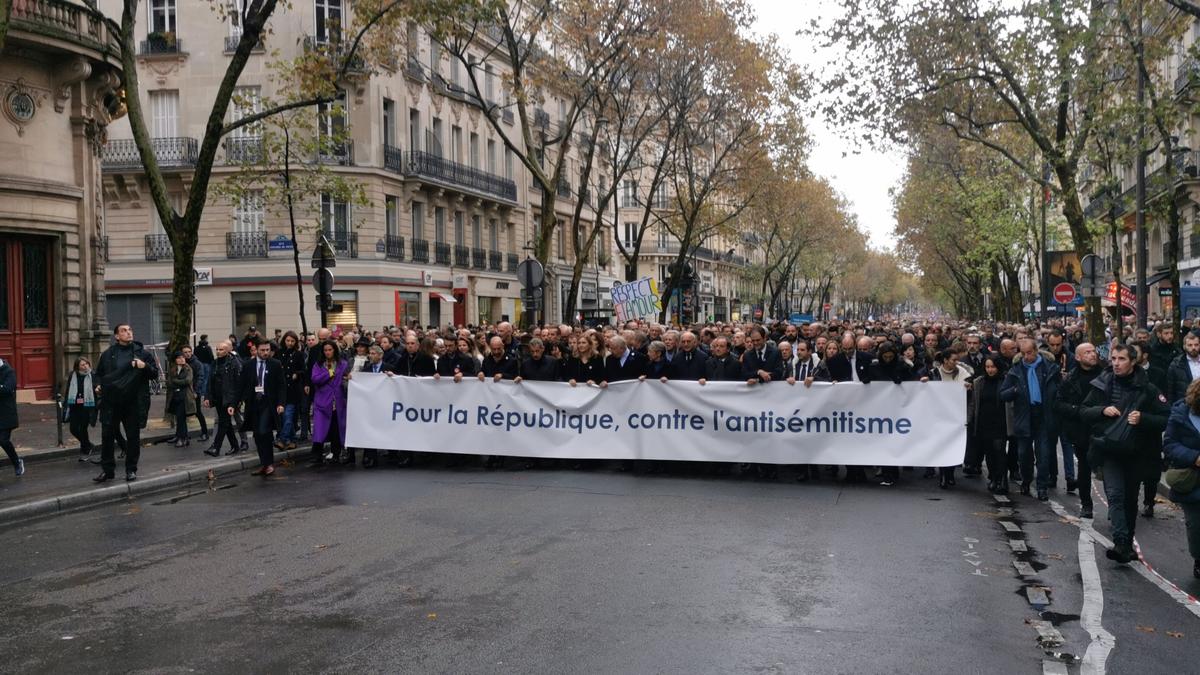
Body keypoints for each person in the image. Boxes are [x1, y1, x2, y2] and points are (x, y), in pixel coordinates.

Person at [1081, 343, 1169, 564]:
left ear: (1133, 362)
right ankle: (1120, 542)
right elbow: (1084, 411)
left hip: (1136, 452)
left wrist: (1143, 419)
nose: (1116, 363)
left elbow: (1166, 418)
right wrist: (1102, 410)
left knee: (1130, 499)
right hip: (1109, 450)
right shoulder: (1103, 383)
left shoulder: (1148, 389)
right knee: (1115, 495)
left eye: (1121, 359)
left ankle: (1127, 543)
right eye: (1113, 359)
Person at [93, 324, 159, 482]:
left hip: (133, 402)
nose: (128, 333)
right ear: (116, 336)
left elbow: (155, 373)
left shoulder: (142, 353)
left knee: (133, 437)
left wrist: (144, 366)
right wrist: (97, 386)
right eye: (124, 331)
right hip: (111, 402)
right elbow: (99, 374)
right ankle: (108, 470)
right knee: (107, 436)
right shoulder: (108, 354)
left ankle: (131, 470)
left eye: (130, 330)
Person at [1000, 338, 1060, 500]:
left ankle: (1042, 487)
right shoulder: (1016, 370)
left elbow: (1059, 391)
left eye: (1029, 353)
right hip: (1024, 416)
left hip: (1044, 416)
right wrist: (1014, 390)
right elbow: (1003, 394)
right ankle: (1026, 480)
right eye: (1023, 353)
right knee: (1024, 454)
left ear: (1036, 351)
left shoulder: (1049, 368)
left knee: (1044, 454)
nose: (1027, 357)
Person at [1054, 342, 1105, 518]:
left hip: (1103, 428)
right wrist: (1078, 411)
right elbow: (1059, 404)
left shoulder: (1106, 375)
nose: (1092, 354)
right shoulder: (1070, 379)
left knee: (1107, 470)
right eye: (1087, 352)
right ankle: (1086, 504)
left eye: (1093, 351)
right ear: (1078, 357)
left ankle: (1114, 507)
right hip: (1081, 430)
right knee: (1084, 469)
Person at [1162, 378, 1200, 580]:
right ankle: (1199, 558)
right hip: (1192, 478)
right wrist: (1194, 457)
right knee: (1196, 524)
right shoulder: (1181, 414)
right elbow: (1169, 444)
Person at [239, 338, 285, 476]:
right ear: (256, 350)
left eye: (268, 350)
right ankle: (264, 464)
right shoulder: (248, 365)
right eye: (262, 350)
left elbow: (281, 386)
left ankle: (269, 463)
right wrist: (235, 402)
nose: (266, 353)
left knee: (264, 430)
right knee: (257, 434)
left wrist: (281, 403)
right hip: (253, 403)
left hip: (268, 402)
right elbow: (242, 385)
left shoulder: (275, 364)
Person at [930, 349, 973, 488]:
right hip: (939, 415)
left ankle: (950, 473)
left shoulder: (962, 373)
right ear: (945, 360)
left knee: (953, 445)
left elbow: (969, 389)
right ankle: (943, 475)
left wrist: (968, 387)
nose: (956, 362)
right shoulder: (934, 373)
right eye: (953, 360)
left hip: (956, 415)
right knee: (943, 445)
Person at [310, 340, 351, 467]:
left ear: (334, 350)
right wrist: (329, 373)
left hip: (338, 402)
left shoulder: (343, 364)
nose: (328, 352)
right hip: (322, 401)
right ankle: (317, 455)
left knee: (336, 429)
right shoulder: (318, 364)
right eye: (325, 350)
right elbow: (315, 379)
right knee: (320, 429)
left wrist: (348, 378)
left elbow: (347, 378)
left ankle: (336, 454)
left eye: (330, 350)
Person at [972, 356, 1009, 494]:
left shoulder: (1005, 381)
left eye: (993, 367)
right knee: (989, 452)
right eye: (987, 367)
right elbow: (974, 403)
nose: (990, 370)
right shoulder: (979, 382)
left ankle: (1003, 479)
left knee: (999, 450)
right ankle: (993, 477)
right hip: (984, 421)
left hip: (1000, 421)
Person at [204, 340, 243, 457]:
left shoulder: (233, 363)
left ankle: (216, 447)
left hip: (229, 398)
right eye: (217, 349)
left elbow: (237, 384)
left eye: (221, 350)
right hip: (218, 398)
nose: (218, 351)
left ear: (227, 351)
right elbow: (210, 381)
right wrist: (207, 396)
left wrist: (235, 402)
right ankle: (235, 446)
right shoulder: (214, 363)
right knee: (226, 424)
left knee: (223, 423)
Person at [274, 331, 306, 450]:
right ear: (284, 341)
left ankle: (282, 439)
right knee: (286, 417)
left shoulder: (298, 354)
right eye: (288, 341)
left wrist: (297, 374)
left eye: (292, 341)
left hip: (293, 390)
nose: (290, 343)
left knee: (288, 416)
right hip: (281, 390)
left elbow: (303, 370)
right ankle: (291, 440)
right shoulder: (279, 353)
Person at [64, 357, 99, 462]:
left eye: (86, 364)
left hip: (87, 406)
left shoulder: (92, 375)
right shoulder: (73, 375)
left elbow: (98, 389)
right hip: (75, 406)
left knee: (83, 428)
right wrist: (66, 404)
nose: (85, 366)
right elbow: (68, 389)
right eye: (82, 365)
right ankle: (88, 445)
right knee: (73, 429)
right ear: (77, 366)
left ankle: (85, 450)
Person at [165, 351, 195, 447]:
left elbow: (187, 381)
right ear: (175, 360)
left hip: (185, 396)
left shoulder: (188, 368)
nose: (182, 359)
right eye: (179, 358)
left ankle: (182, 438)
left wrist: (175, 381)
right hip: (175, 396)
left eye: (183, 357)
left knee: (181, 418)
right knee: (179, 417)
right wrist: (175, 382)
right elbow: (169, 382)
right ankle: (182, 437)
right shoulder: (173, 369)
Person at [0, 356, 23, 479]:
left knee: (3, 440)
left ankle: (17, 462)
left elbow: (8, 389)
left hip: (6, 414)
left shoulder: (9, 372)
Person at [180, 346, 209, 443]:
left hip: (194, 392)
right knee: (182, 413)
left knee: (197, 412)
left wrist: (196, 391)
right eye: (185, 352)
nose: (188, 354)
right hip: (184, 391)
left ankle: (205, 433)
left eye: (189, 351)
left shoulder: (197, 363)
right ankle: (183, 435)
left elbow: (200, 377)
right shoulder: (182, 362)